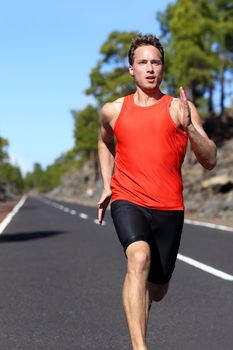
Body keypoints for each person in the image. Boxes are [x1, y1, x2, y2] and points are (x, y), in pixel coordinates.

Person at [97, 34, 217, 350]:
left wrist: (191, 129)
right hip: (128, 199)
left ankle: (143, 309)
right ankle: (140, 347)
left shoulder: (181, 109)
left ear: (162, 68)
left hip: (169, 207)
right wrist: (107, 183)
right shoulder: (114, 110)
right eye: (143, 62)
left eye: (156, 62)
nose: (150, 69)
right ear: (131, 70)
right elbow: (104, 141)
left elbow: (210, 160)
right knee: (138, 257)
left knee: (158, 288)